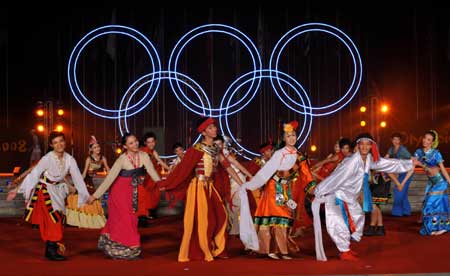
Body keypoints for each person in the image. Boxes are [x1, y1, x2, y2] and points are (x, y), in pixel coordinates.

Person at [311, 133, 419, 261]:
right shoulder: (351, 162)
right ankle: (344, 251)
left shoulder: (368, 159)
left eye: (367, 144)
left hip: (350, 197)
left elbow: (386, 164)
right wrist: (319, 190)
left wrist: (408, 163)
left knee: (358, 217)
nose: (364, 147)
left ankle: (345, 248)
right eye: (361, 144)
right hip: (338, 196)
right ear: (357, 146)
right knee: (338, 224)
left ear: (371, 146)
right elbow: (336, 178)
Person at [157, 117, 244, 262]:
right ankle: (202, 249)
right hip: (197, 187)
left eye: (214, 127)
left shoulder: (216, 149)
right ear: (203, 132)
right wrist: (165, 184)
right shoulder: (196, 149)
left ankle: (216, 247)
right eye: (210, 128)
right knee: (203, 220)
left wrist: (242, 183)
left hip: (210, 187)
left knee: (221, 216)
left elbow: (227, 167)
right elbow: (182, 169)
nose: (214, 129)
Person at [8, 131, 90, 261]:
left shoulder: (70, 159)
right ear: (52, 145)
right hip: (45, 191)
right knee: (54, 219)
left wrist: (84, 195)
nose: (59, 145)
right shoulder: (47, 158)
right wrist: (17, 189)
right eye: (56, 142)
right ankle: (51, 250)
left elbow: (77, 178)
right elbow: (34, 174)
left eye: (61, 141)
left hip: (58, 190)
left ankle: (50, 249)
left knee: (58, 219)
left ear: (65, 142)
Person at [86, 133, 161, 259]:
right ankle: (132, 248)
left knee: (132, 219)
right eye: (131, 143)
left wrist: (162, 185)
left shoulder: (144, 156)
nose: (135, 144)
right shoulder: (122, 159)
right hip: (119, 192)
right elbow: (110, 179)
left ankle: (128, 249)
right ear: (125, 146)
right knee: (126, 219)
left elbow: (152, 172)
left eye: (136, 141)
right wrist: (95, 196)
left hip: (134, 191)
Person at [239, 121, 302, 260]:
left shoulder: (297, 153)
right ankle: (278, 250)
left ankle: (276, 248)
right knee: (279, 215)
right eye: (288, 136)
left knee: (287, 214)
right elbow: (267, 171)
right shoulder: (280, 153)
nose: (291, 138)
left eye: (293, 135)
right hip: (276, 188)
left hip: (287, 188)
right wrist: (252, 185)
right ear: (284, 139)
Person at [403, 130, 450, 236]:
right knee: (429, 204)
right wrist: (403, 182)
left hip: (440, 182)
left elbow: (442, 170)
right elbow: (412, 168)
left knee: (430, 203)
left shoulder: (436, 153)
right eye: (424, 138)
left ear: (432, 142)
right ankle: (439, 227)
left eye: (428, 139)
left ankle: (435, 228)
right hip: (431, 182)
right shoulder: (418, 152)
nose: (425, 140)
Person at [66, 136, 110, 229]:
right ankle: (77, 220)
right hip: (86, 180)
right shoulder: (89, 159)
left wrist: (113, 177)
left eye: (98, 147)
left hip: (91, 180)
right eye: (95, 147)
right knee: (84, 197)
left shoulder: (103, 158)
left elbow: (108, 170)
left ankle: (88, 220)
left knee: (92, 199)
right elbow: (84, 174)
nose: (97, 149)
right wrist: (78, 183)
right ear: (91, 149)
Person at [214, 135, 253, 236]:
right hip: (227, 183)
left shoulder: (226, 155)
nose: (218, 146)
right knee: (229, 205)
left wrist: (250, 176)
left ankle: (238, 229)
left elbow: (239, 166)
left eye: (220, 144)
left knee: (235, 205)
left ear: (223, 144)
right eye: (216, 144)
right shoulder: (214, 156)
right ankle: (233, 227)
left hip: (237, 180)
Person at [384, 132, 413, 217]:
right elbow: (386, 158)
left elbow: (411, 160)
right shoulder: (391, 149)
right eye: (394, 139)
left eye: (398, 139)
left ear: (400, 141)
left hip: (407, 173)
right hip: (400, 173)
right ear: (391, 140)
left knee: (398, 190)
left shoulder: (403, 149)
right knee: (403, 192)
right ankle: (406, 211)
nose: (396, 141)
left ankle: (397, 212)